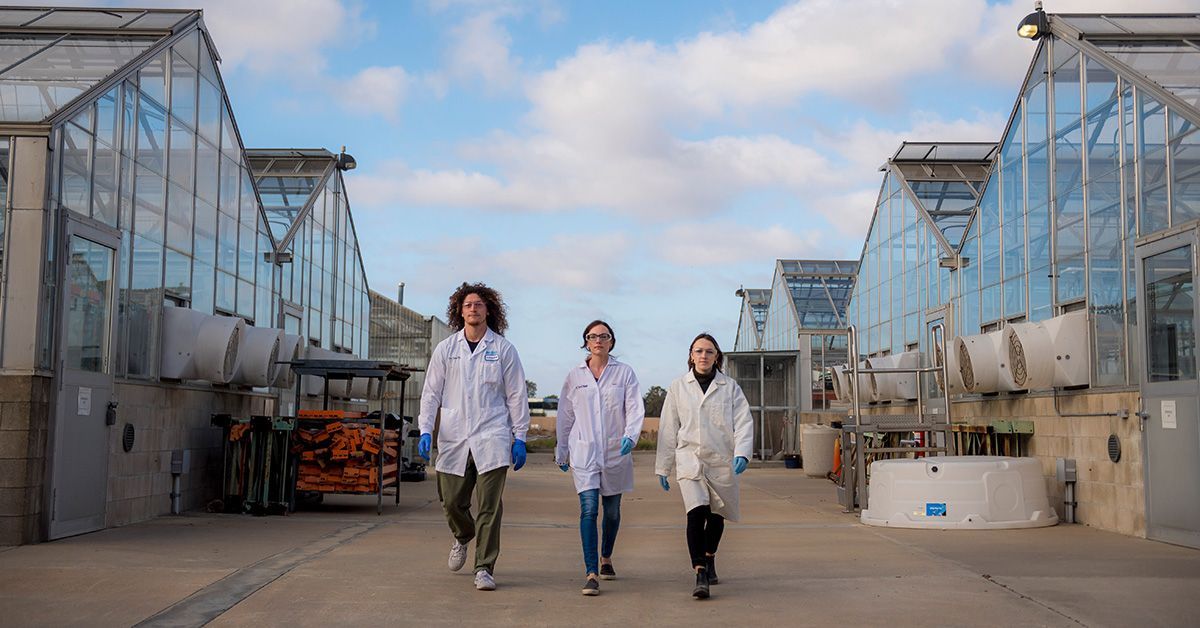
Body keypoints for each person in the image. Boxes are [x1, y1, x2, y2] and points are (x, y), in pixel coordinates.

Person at [418, 282, 531, 592]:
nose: (473, 309)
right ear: (459, 311)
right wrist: (426, 429)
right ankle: (463, 535)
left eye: (478, 304)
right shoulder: (446, 349)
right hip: (454, 437)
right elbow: (431, 394)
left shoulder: (503, 349)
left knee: (490, 506)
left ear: (488, 310)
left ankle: (484, 567)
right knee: (451, 501)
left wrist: (519, 436)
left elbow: (517, 395)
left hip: (492, 436)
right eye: (468, 304)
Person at [654, 332, 753, 599]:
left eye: (709, 352)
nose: (703, 356)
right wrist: (663, 467)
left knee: (717, 515)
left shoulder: (729, 387)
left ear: (716, 356)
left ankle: (709, 556)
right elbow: (668, 428)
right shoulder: (678, 387)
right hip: (690, 460)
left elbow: (744, 421)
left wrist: (742, 452)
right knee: (696, 512)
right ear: (691, 355)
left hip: (721, 460)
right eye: (698, 351)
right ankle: (700, 571)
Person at [555, 320, 645, 596]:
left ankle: (606, 556)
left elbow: (634, 407)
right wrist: (562, 449)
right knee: (589, 510)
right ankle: (591, 571)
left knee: (613, 512)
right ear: (586, 342)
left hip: (615, 450)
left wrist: (631, 435)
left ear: (611, 342)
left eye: (603, 336)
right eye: (592, 337)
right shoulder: (575, 376)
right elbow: (565, 415)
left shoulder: (624, 373)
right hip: (584, 452)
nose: (598, 341)